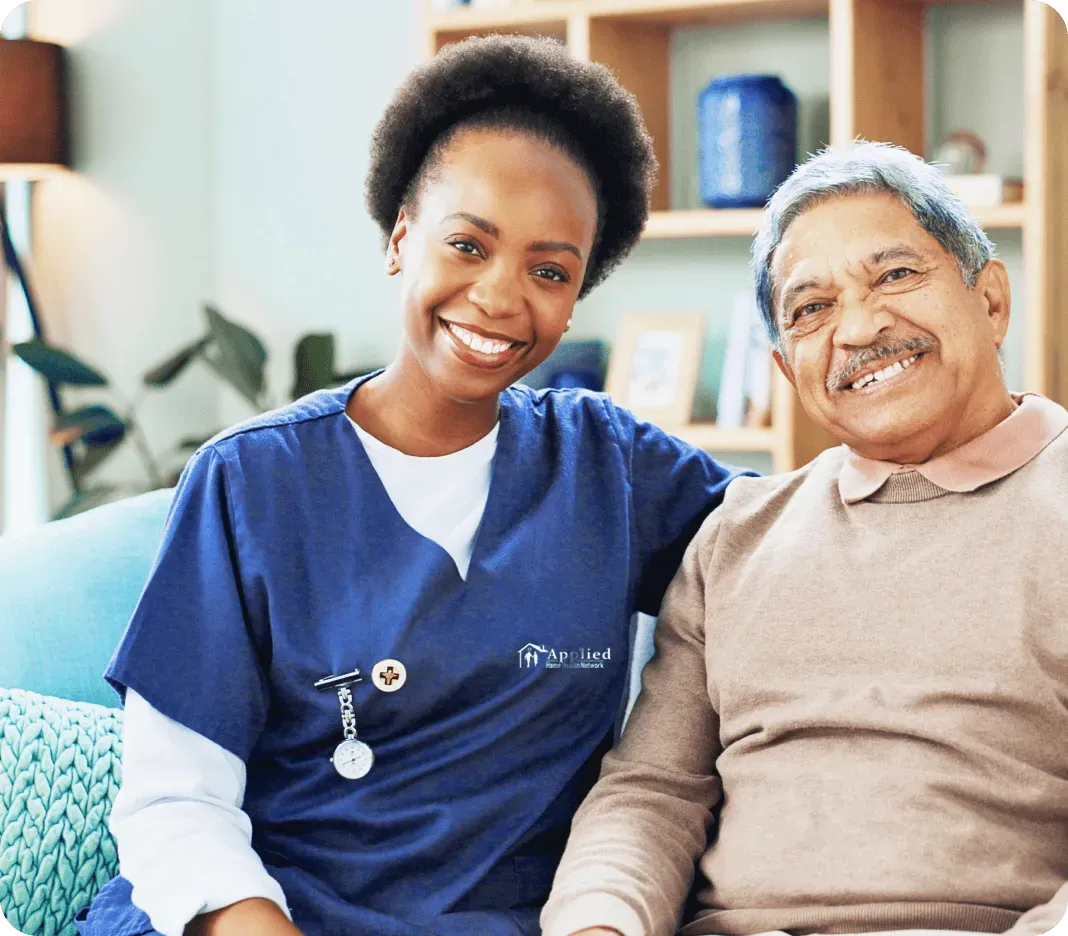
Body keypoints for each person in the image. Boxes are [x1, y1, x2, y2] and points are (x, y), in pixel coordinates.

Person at [72, 34, 752, 936]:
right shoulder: (252, 481)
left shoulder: (611, 466)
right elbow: (175, 804)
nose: (502, 297)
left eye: (550, 270)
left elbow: (799, 550)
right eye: (468, 245)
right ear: (400, 240)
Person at [540, 141, 1068, 936]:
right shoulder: (737, 536)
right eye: (811, 309)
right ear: (789, 372)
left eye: (895, 275)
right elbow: (652, 792)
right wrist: (599, 923)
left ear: (991, 300)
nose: (858, 327)